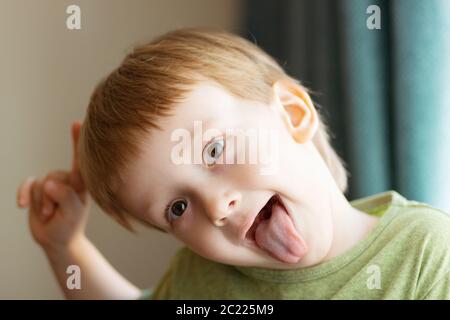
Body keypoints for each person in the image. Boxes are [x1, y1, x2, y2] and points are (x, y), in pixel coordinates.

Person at [17, 28, 450, 299]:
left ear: (293, 114)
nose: (216, 206)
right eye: (177, 208)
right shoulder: (206, 278)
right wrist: (65, 248)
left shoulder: (424, 254)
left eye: (214, 150)